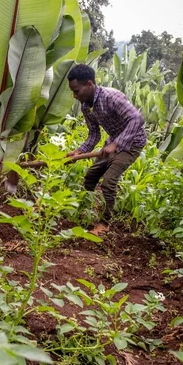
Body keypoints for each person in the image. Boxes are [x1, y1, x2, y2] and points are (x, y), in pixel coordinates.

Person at [67, 63, 147, 236]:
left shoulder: (111, 97)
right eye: (72, 92)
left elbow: (137, 119)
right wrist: (80, 151)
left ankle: (105, 222)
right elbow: (94, 134)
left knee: (109, 181)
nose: (75, 96)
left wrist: (116, 144)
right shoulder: (86, 106)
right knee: (91, 176)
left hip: (132, 142)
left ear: (89, 84)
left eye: (77, 91)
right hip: (112, 143)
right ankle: (85, 211)